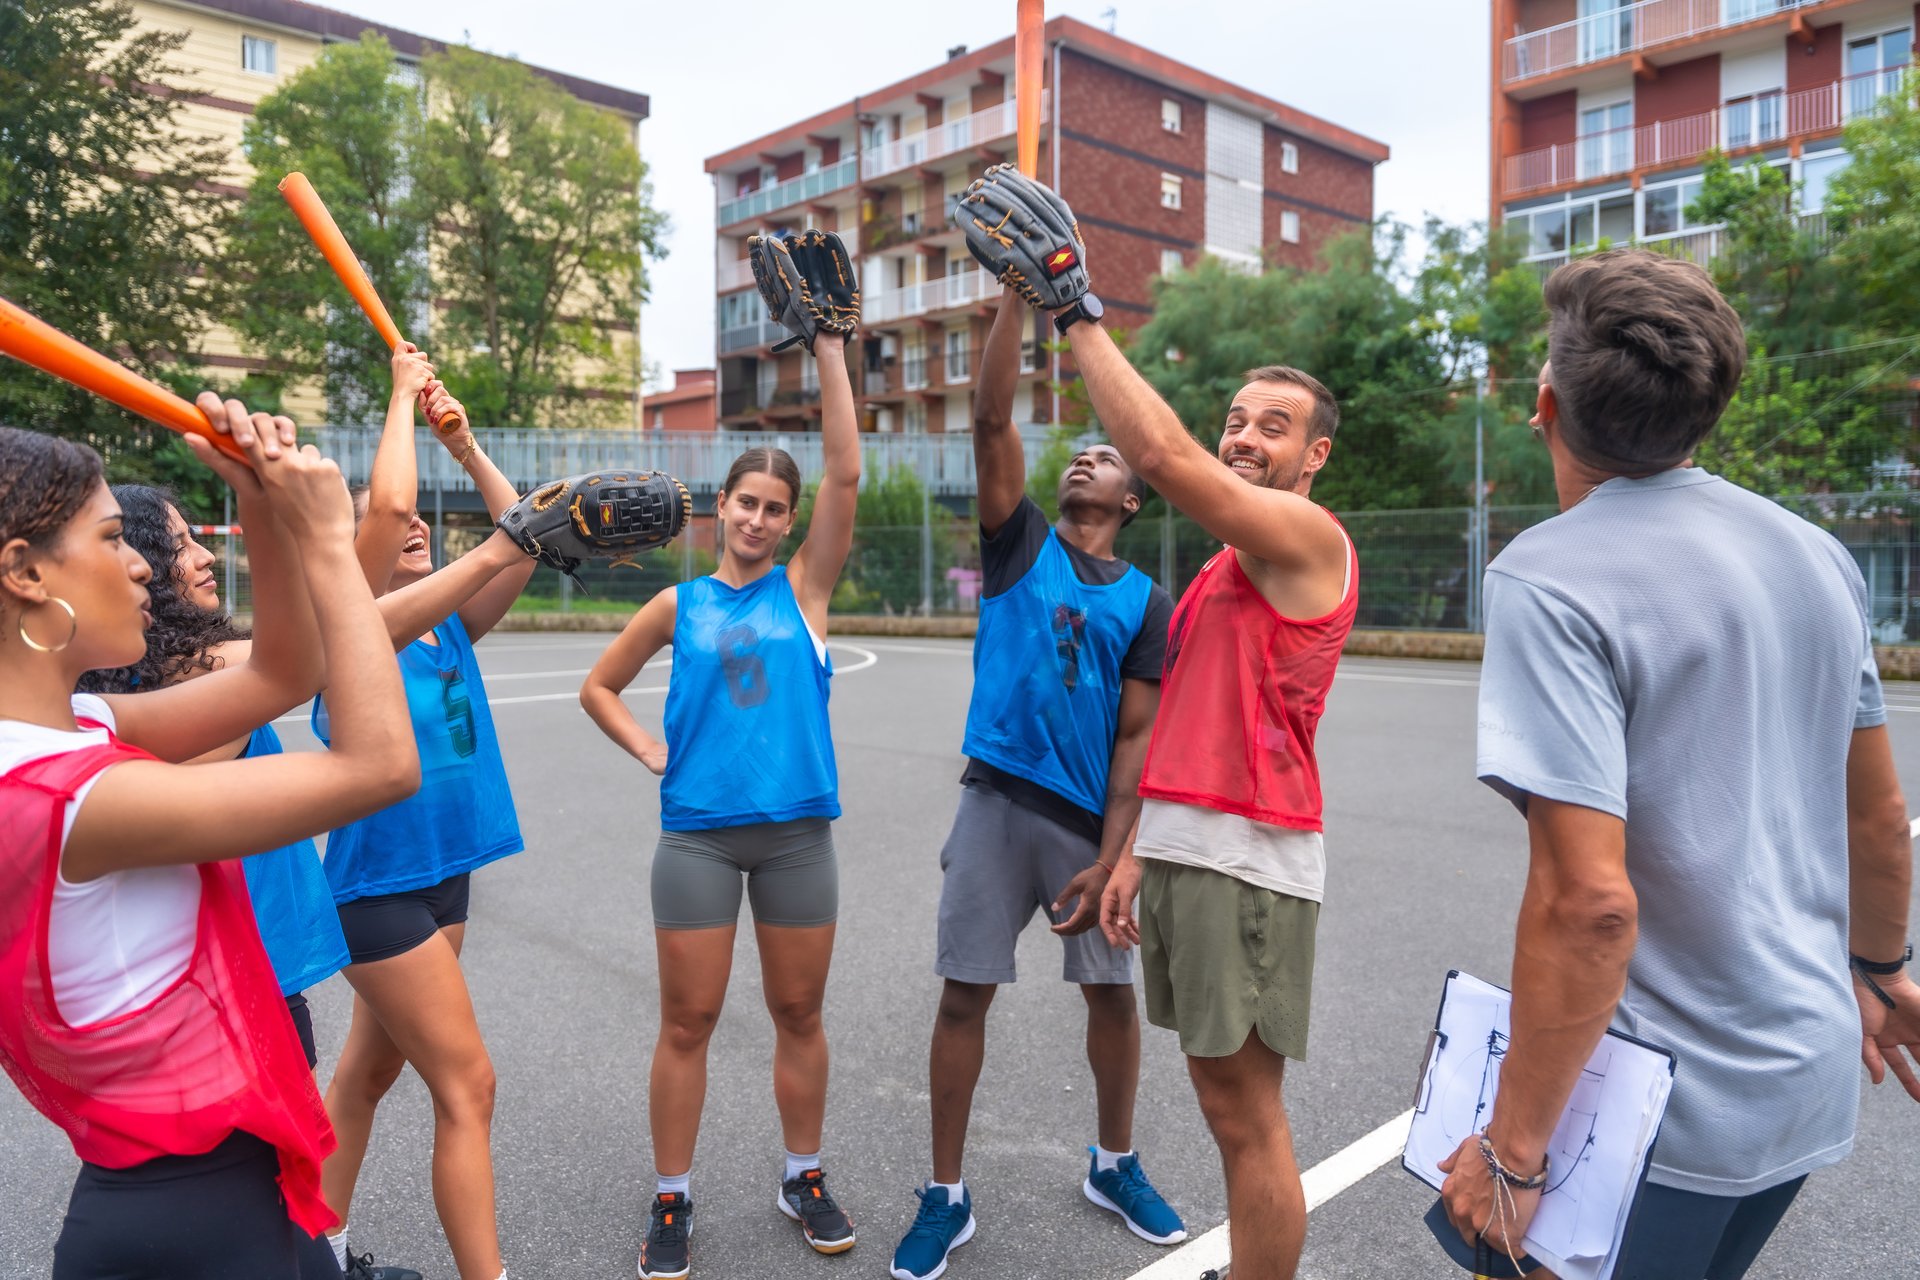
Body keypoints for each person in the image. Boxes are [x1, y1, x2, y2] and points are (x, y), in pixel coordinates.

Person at [1436, 248, 1920, 1280]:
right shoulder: (1815, 553)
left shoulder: (1549, 576)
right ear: (1708, 408)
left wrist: (1515, 1151)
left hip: (1655, 1112)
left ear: (1544, 404)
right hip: (1804, 1077)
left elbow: (1588, 901)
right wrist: (1879, 970)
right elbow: (1878, 818)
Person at [1006, 208, 1354, 1280]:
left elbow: (1159, 451)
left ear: (1315, 455)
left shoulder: (1305, 535)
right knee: (1222, 1101)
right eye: (1239, 417)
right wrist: (1137, 850)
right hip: (1195, 850)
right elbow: (1189, 728)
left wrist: (1073, 302)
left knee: (1246, 1114)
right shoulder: (1218, 571)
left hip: (1249, 861)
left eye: (1273, 425)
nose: (1247, 435)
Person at [0, 398, 419, 1279]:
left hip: (194, 1197)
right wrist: (327, 544)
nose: (143, 566)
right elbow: (377, 765)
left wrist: (265, 509)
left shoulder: (64, 729)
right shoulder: (71, 798)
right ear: (25, 572)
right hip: (193, 1217)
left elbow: (281, 672)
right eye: (115, 538)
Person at [890, 289, 1181, 1280]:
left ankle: (1115, 1161)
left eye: (1109, 455)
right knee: (964, 992)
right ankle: (944, 1193)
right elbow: (988, 417)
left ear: (1133, 499)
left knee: (1111, 997)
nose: (1088, 456)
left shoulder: (1148, 602)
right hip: (995, 801)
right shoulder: (1022, 544)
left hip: (1085, 825)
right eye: (1080, 454)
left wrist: (1117, 858)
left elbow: (1137, 738)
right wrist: (1015, 298)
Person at [581, 325, 861, 1280]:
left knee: (798, 1012)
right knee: (688, 1023)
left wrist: (830, 349)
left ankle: (803, 1176)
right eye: (746, 502)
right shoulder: (678, 605)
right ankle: (673, 1195)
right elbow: (598, 687)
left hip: (796, 841)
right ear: (721, 508)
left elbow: (849, 474)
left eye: (776, 508)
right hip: (697, 839)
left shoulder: (807, 592)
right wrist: (650, 749)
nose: (759, 519)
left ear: (789, 521)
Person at [315, 349, 539, 1280]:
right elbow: (378, 511)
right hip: (380, 891)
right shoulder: (353, 632)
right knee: (469, 1086)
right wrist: (402, 397)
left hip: (447, 876)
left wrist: (465, 442)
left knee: (367, 1078)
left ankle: (309, 1249)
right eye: (399, 528)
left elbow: (524, 534)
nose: (412, 529)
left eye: (421, 528)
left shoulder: (450, 621)